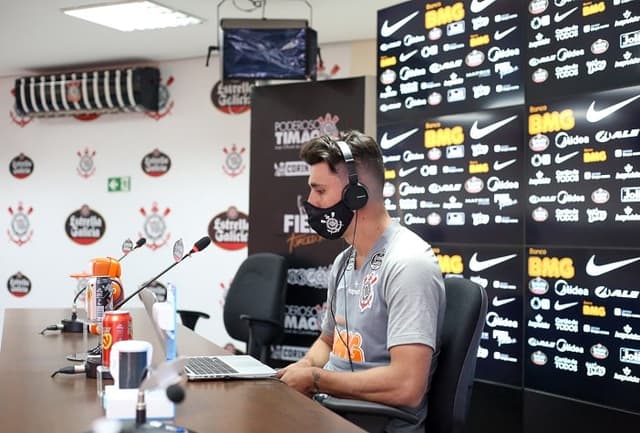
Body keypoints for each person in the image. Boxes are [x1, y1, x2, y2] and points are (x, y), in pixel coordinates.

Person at [277, 130, 446, 433]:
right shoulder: (344, 261)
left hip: (373, 424)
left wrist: (316, 380)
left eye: (319, 190)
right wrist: (303, 367)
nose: (311, 202)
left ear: (357, 195)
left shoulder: (408, 263)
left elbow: (407, 386)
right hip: (331, 413)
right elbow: (328, 342)